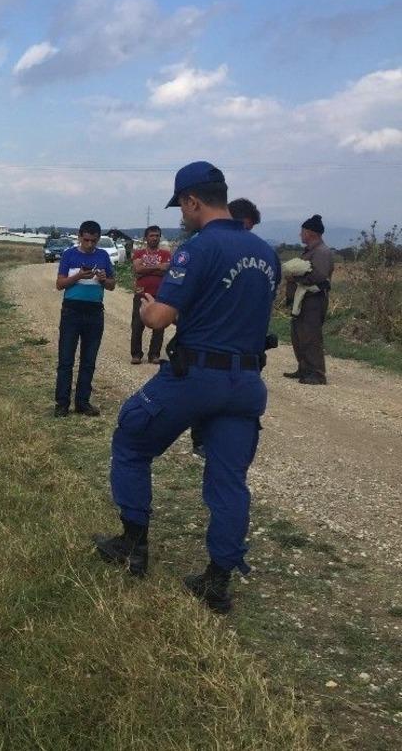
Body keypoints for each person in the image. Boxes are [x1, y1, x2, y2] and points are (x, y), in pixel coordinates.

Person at [93, 162, 280, 614]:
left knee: (133, 439)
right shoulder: (267, 253)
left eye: (181, 206)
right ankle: (217, 581)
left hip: (196, 376)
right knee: (229, 478)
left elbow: (160, 319)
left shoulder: (196, 249)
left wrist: (146, 307)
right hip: (247, 381)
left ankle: (133, 546)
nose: (181, 215)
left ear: (193, 201)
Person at [190, 197, 261, 458]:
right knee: (204, 393)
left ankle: (226, 444)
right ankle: (201, 439)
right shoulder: (204, 247)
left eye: (249, 230)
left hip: (242, 348)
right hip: (207, 343)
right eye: (243, 227)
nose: (245, 235)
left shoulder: (256, 254)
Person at [54, 220, 115, 417]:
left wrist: (104, 280)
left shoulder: (103, 256)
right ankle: (62, 404)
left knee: (88, 361)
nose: (90, 245)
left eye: (94, 241)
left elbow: (112, 285)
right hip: (71, 312)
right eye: (86, 240)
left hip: (95, 312)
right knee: (66, 360)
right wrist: (78, 276)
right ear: (79, 237)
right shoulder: (69, 255)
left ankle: (82, 402)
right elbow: (60, 284)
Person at [283, 214, 334, 385]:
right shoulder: (311, 251)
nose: (300, 235)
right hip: (303, 301)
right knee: (298, 334)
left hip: (314, 300)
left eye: (302, 232)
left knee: (310, 335)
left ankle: (317, 373)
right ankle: (304, 368)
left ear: (311, 233)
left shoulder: (322, 252)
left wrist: (295, 278)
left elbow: (319, 275)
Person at [130, 226, 171, 365]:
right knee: (137, 324)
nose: (154, 238)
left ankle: (154, 355)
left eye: (157, 235)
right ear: (146, 238)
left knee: (159, 324)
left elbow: (166, 271)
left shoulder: (166, 254)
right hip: (141, 292)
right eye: (152, 235)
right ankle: (136, 354)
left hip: (160, 293)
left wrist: (146, 270)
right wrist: (158, 267)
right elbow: (137, 269)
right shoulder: (139, 253)